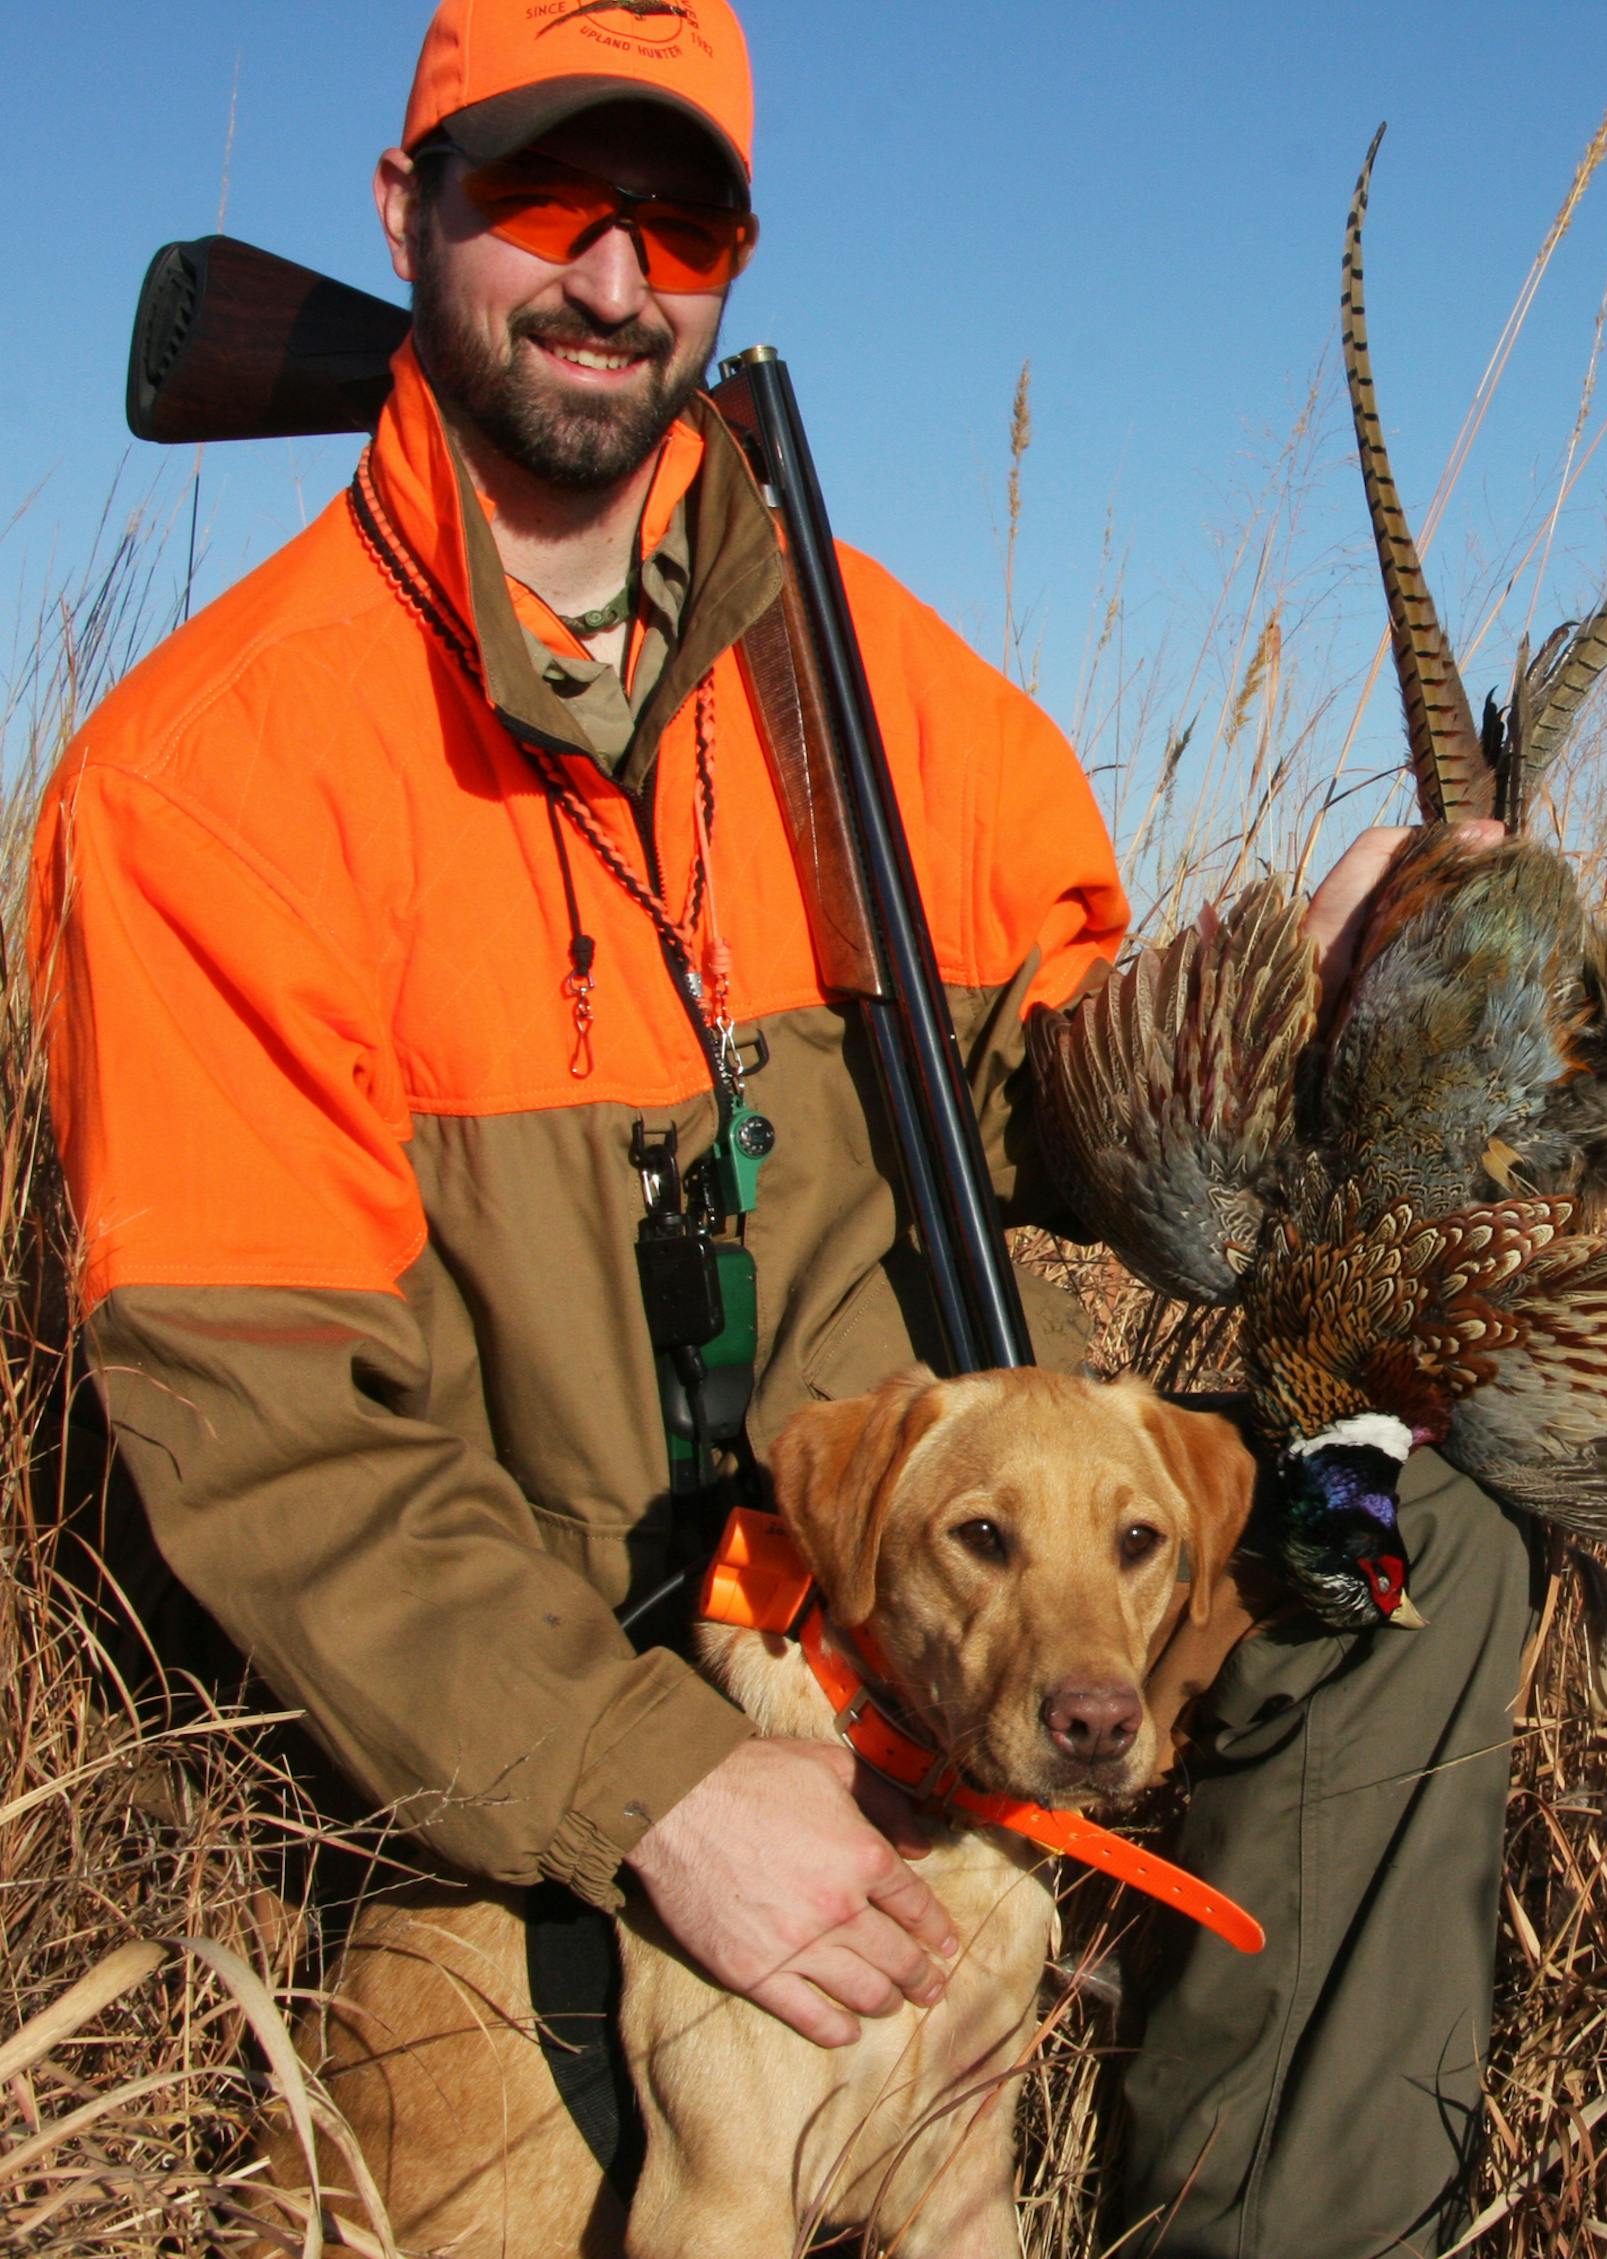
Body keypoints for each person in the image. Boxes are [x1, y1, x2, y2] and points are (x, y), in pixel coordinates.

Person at [31, 3, 1531, 2252]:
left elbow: (1076, 1102)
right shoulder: (203, 785)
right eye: (547, 193)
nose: (620, 282)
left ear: (740, 247)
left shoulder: (879, 681)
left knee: (1412, 1546)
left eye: (684, 215)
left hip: (935, 1598)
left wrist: (1311, 1023)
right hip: (550, 1674)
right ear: (398, 208)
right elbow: (278, 1449)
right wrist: (661, 1787)